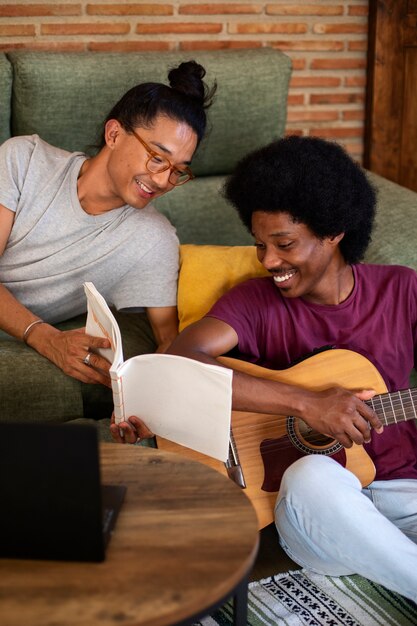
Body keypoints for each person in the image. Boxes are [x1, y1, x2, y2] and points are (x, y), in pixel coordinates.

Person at [114, 135, 417, 601]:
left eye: (284, 244)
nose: (270, 261)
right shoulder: (255, 302)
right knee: (312, 474)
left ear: (333, 231)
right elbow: (178, 360)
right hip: (317, 515)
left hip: (406, 492)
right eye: (260, 245)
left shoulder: (401, 290)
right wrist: (307, 402)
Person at [0, 61, 216, 387]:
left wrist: (143, 397)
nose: (163, 180)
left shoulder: (153, 240)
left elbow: (169, 340)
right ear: (114, 134)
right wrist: (45, 338)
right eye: (157, 157)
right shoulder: (24, 160)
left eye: (178, 170)